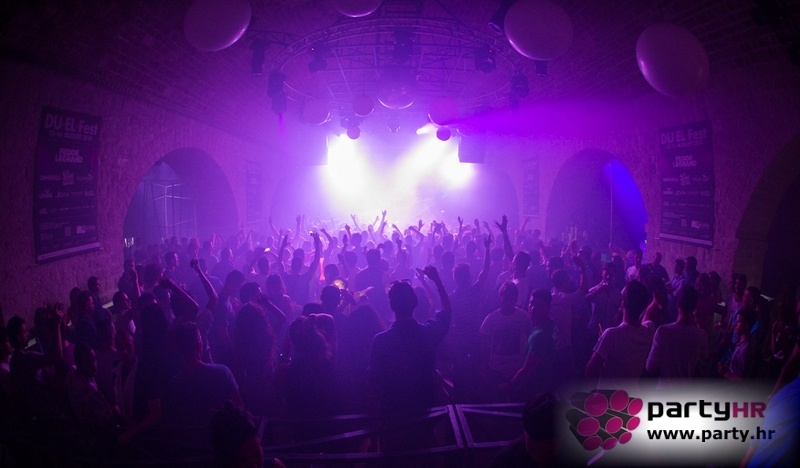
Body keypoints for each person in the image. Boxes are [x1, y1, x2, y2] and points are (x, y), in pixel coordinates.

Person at [367, 265, 451, 415]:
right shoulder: (428, 333)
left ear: (392, 305)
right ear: (414, 303)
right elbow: (447, 312)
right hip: (426, 411)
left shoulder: (380, 341)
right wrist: (438, 282)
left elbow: (373, 381)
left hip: (394, 414)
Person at [585, 280, 653, 389]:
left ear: (623, 303)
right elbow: (649, 314)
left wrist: (602, 342)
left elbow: (591, 370)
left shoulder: (611, 335)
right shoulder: (648, 330)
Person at [646, 286, 708, 388]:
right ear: (695, 308)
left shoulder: (663, 332)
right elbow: (704, 364)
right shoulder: (701, 336)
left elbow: (650, 366)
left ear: (678, 304)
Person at [490, 393, 562, 467]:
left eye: (548, 453)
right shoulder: (505, 461)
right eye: (533, 450)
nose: (538, 459)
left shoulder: (506, 460)